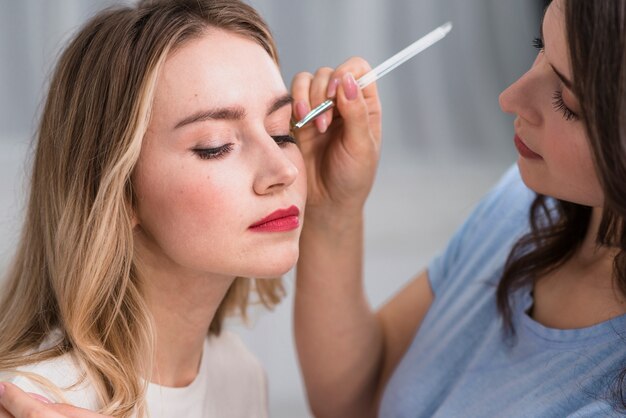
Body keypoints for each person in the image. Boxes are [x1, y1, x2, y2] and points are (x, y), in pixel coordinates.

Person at [0, 0, 341, 416]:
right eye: (215, 146)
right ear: (118, 192)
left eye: (281, 132)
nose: (282, 169)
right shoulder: (32, 399)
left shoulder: (239, 377)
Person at [291, 0, 626, 416]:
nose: (509, 98)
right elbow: (359, 398)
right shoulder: (519, 204)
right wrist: (333, 210)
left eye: (567, 102)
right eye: (542, 46)